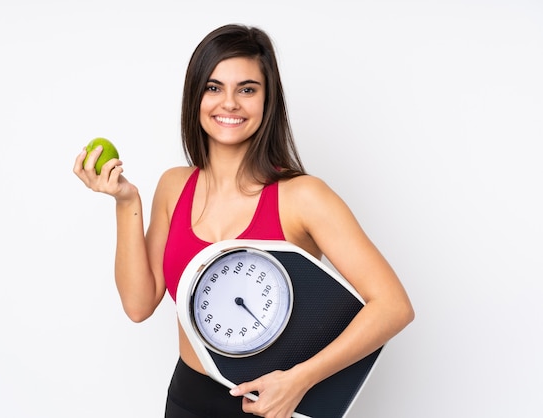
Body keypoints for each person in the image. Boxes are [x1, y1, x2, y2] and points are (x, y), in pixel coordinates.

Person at [73, 23, 414, 418]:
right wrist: (125, 201)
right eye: (214, 87)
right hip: (187, 400)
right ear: (195, 96)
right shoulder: (173, 186)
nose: (229, 103)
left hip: (272, 405)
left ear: (268, 101)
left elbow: (393, 306)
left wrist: (300, 380)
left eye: (247, 89)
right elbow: (138, 305)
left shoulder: (303, 196)